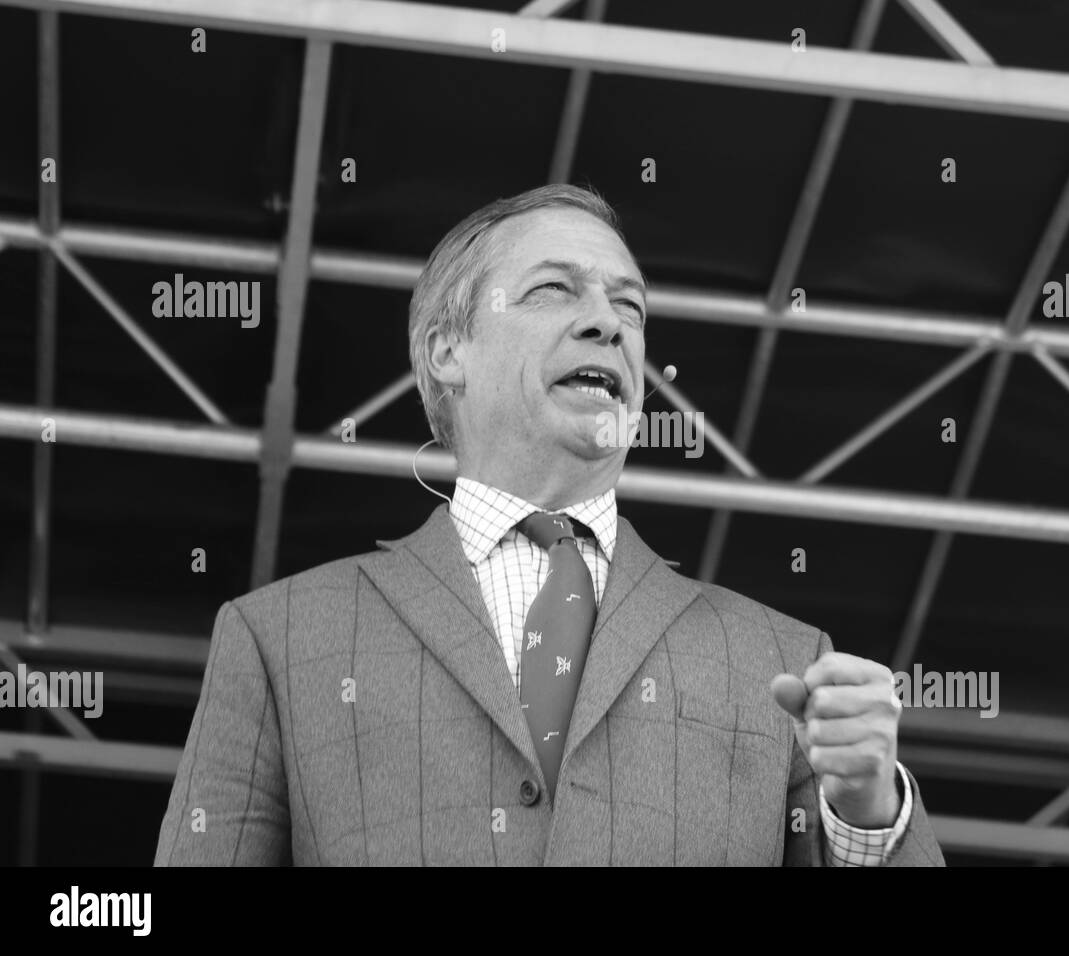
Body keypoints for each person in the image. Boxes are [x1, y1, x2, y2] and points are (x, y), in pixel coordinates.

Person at [154, 184, 944, 866]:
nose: (609, 324)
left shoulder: (783, 660)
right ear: (446, 351)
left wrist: (870, 816)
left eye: (628, 305)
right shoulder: (280, 639)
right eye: (554, 291)